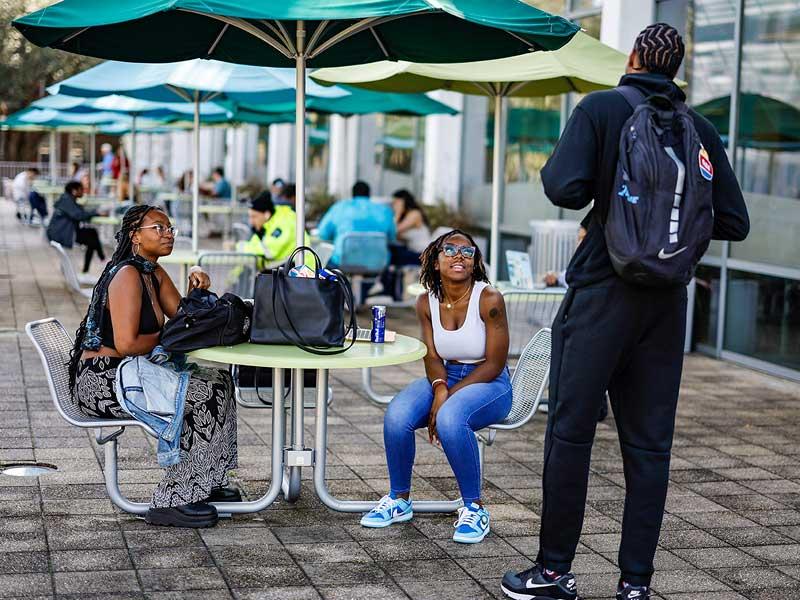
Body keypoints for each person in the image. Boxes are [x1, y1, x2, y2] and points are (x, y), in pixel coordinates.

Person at [500, 23, 749, 600]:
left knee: (569, 434)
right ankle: (635, 584)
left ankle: (555, 572)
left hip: (601, 295)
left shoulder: (602, 108)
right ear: (676, 67)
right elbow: (735, 221)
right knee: (649, 446)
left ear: (634, 56)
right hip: (666, 305)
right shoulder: (702, 129)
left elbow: (564, 187)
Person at [70, 205, 239, 528]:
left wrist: (196, 291)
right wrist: (166, 338)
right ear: (135, 236)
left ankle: (207, 481)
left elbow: (184, 320)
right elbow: (127, 344)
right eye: (158, 228)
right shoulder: (127, 275)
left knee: (220, 380)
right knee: (202, 393)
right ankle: (171, 500)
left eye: (170, 228)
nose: (168, 234)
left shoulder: (153, 272)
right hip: (102, 379)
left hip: (132, 370)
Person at [360, 229, 511, 544]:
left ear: (475, 262)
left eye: (467, 251)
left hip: (490, 383)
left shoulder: (489, 298)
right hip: (446, 376)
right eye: (450, 249)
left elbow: (495, 363)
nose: (459, 255)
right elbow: (431, 355)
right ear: (435, 260)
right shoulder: (425, 302)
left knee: (451, 418)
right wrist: (441, 389)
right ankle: (399, 500)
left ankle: (474, 508)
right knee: (397, 415)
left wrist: (446, 399)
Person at [317, 181, 396, 268]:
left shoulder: (339, 208)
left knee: (325, 271)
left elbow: (323, 233)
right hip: (377, 264)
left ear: (352, 194)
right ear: (369, 194)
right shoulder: (384, 210)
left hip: (343, 262)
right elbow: (392, 237)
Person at [238, 191, 311, 267]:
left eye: (254, 216)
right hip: (288, 271)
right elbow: (254, 245)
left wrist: (239, 247)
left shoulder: (284, 222)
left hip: (302, 272)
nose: (251, 221)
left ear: (266, 214)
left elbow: (269, 251)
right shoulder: (268, 225)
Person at [381, 189, 431, 299]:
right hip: (413, 252)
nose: (393, 206)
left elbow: (395, 231)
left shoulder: (414, 214)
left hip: (422, 255)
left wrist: (398, 212)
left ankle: (390, 291)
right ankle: (391, 291)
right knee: (388, 253)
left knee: (387, 256)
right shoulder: (407, 215)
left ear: (403, 202)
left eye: (395, 203)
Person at [47, 181, 106, 274]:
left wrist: (90, 211)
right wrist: (96, 212)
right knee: (92, 241)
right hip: (63, 234)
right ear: (74, 191)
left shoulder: (67, 199)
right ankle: (98, 262)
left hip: (64, 231)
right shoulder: (67, 201)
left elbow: (80, 213)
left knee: (92, 233)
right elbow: (79, 215)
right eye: (81, 190)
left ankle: (100, 260)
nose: (83, 192)